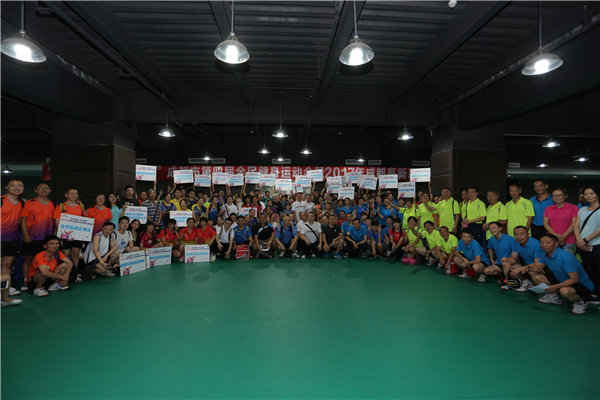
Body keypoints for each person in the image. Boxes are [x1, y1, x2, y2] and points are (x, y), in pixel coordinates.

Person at [535, 234, 595, 314]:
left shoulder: (566, 257)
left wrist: (555, 287)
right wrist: (525, 267)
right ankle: (553, 297)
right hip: (563, 280)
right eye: (542, 242)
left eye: (548, 242)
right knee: (538, 277)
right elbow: (538, 267)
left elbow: (574, 279)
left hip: (581, 284)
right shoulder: (545, 253)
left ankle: (581, 302)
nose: (544, 245)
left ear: (556, 244)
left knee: (564, 291)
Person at [19, 182, 54, 292]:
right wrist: (25, 235)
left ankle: (42, 281)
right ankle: (25, 281)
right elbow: (23, 220)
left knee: (45, 261)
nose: (43, 190)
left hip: (47, 238)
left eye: (46, 188)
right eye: (40, 188)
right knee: (28, 259)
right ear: (36, 190)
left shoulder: (53, 204)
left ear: (50, 190)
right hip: (32, 237)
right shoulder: (29, 203)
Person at [574, 185, 600, 296]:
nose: (588, 196)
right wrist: (579, 240)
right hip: (583, 245)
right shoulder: (582, 209)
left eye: (591, 193)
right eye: (586, 194)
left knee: (598, 270)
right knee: (589, 270)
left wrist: (585, 240)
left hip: (597, 245)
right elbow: (576, 226)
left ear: (597, 194)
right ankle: (594, 292)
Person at [53, 187, 86, 272]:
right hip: (65, 235)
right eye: (71, 193)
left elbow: (84, 221)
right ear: (66, 195)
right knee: (65, 254)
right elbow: (57, 222)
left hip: (77, 235)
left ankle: (75, 272)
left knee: (76, 253)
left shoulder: (81, 206)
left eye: (76, 193)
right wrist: (67, 235)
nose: (74, 195)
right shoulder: (61, 206)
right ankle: (65, 272)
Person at [507, 226, 545, 291]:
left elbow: (537, 264)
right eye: (516, 234)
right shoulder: (516, 242)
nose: (519, 237)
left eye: (521, 234)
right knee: (512, 267)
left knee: (531, 272)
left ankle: (545, 290)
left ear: (528, 234)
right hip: (526, 265)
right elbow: (513, 258)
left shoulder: (536, 244)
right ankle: (527, 283)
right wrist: (508, 263)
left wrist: (521, 268)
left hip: (538, 267)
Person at [543, 188, 578, 254]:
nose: (557, 197)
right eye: (554, 195)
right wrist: (555, 236)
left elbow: (574, 224)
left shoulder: (573, 208)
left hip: (569, 240)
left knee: (567, 258)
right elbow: (546, 224)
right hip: (552, 240)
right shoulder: (548, 209)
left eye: (560, 195)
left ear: (566, 196)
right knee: (553, 258)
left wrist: (564, 236)